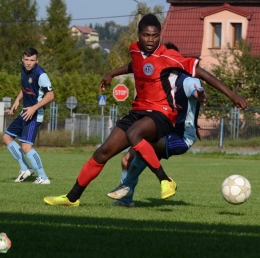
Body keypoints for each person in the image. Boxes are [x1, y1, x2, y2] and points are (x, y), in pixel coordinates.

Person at [43, 13, 247, 207]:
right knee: (103, 152)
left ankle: (165, 180)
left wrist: (233, 95)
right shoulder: (134, 49)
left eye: (155, 35)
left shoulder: (169, 56)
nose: (150, 39)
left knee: (134, 135)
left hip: (162, 114)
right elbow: (135, 65)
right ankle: (72, 198)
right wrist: (111, 74)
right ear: (138, 35)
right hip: (138, 111)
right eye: (146, 35)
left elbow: (201, 73)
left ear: (160, 35)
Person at [107, 71, 205, 206]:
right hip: (162, 129)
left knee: (143, 141)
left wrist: (199, 94)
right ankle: (125, 200)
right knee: (126, 161)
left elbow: (196, 91)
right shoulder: (160, 82)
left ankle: (129, 187)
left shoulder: (187, 81)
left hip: (180, 137)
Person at [2, 48, 54, 184]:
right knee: (7, 137)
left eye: (32, 60)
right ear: (22, 59)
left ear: (37, 61)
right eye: (26, 60)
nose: (28, 63)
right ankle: (25, 169)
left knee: (26, 147)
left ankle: (43, 177)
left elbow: (50, 95)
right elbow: (25, 87)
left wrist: (34, 108)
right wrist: (17, 100)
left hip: (35, 114)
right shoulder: (24, 70)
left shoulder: (41, 74)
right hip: (24, 112)